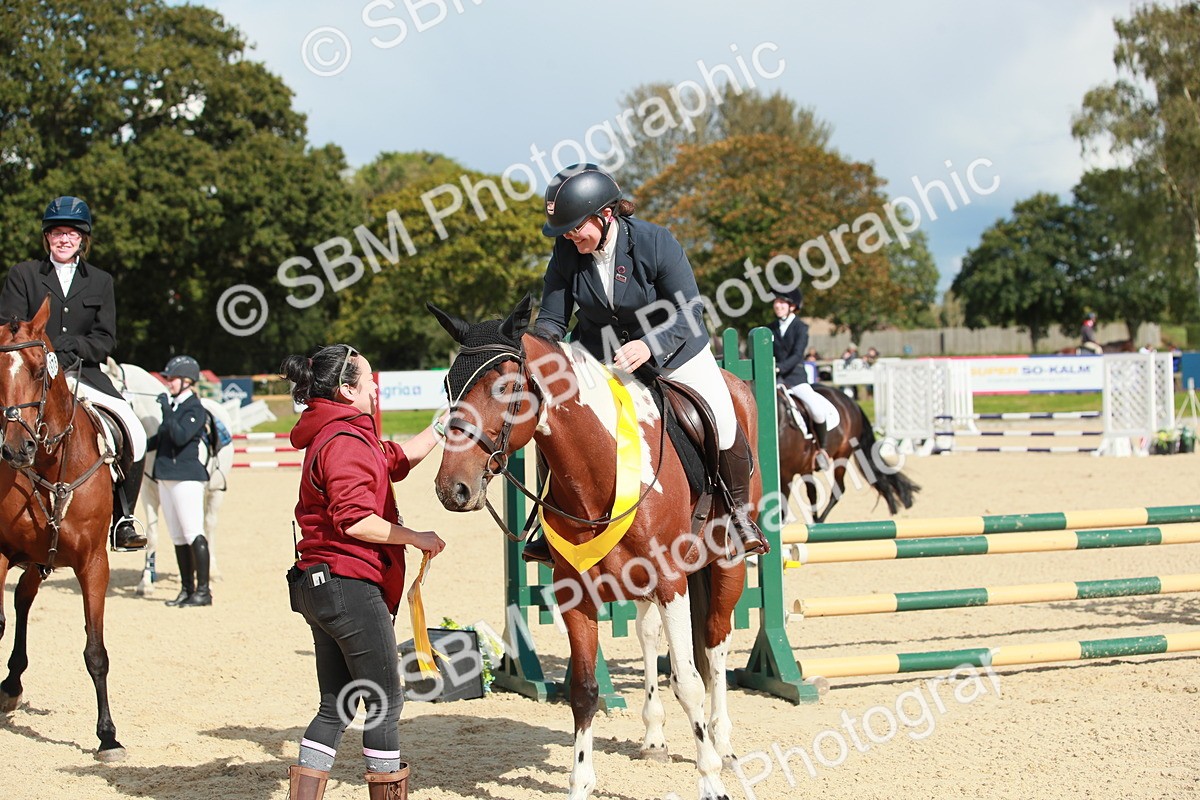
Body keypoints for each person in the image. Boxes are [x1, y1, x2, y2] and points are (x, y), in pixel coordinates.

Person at [528, 162, 768, 562]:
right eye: (564, 231)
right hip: (600, 356)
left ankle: (738, 518)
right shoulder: (567, 251)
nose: (570, 237)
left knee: (723, 418)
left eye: (575, 228)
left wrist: (648, 346)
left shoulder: (656, 242)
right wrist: (543, 351)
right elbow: (553, 319)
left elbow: (689, 310)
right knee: (555, 419)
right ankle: (552, 519)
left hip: (674, 350)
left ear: (605, 215)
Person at [281, 343, 447, 800]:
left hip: (320, 584)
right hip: (348, 585)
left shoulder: (341, 431)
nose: (376, 385)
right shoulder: (344, 441)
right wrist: (415, 536)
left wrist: (442, 426)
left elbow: (394, 460)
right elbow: (355, 519)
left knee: (335, 704)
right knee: (384, 703)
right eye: (369, 378)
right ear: (346, 387)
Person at [0, 196, 147, 550]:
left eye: (71, 233)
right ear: (47, 238)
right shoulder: (24, 274)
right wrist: (41, 352)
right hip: (30, 374)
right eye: (57, 233)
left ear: (83, 239)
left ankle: (123, 517)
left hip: (84, 373)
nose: (64, 239)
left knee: (134, 430)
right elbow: (11, 326)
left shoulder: (100, 281)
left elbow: (105, 338)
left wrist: (70, 349)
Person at [149, 356, 213, 608]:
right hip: (165, 476)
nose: (169, 383)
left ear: (187, 381)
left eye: (172, 379)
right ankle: (187, 589)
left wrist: (165, 410)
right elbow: (161, 439)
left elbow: (178, 437)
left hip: (186, 478)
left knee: (192, 532)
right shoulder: (176, 407)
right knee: (177, 537)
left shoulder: (194, 408)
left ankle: (204, 591)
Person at [769, 289, 841, 451]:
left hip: (795, 379)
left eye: (781, 302)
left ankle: (822, 448)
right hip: (774, 379)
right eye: (776, 302)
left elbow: (796, 355)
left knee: (816, 411)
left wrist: (780, 368)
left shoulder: (801, 328)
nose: (777, 305)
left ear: (792, 306)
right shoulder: (770, 328)